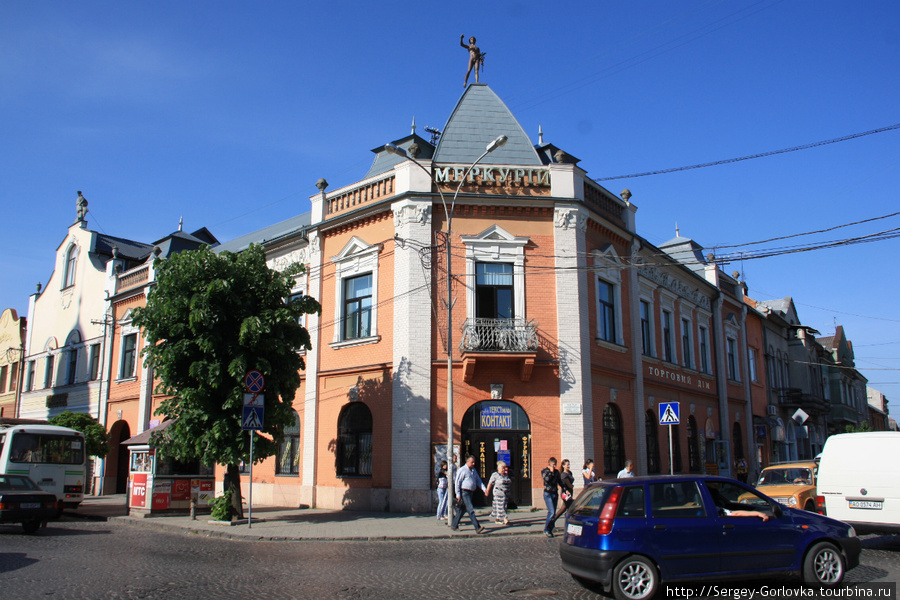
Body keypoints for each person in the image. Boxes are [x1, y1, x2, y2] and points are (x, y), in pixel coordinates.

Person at [451, 455, 488, 533]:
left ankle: (454, 525)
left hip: (471, 492)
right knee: (470, 509)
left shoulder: (473, 470)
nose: (473, 464)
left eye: (474, 462)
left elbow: (478, 480)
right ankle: (477, 527)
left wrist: (484, 489)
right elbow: (458, 482)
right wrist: (458, 494)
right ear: (467, 462)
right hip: (465, 492)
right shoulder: (462, 470)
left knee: (462, 509)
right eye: (472, 462)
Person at [485, 460, 511, 525]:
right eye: (502, 468)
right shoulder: (495, 475)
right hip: (498, 493)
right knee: (500, 506)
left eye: (504, 468)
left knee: (503, 506)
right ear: (498, 468)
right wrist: (487, 490)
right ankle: (505, 519)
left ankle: (498, 519)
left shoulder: (506, 475)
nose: (503, 469)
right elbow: (490, 483)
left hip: (505, 494)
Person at [541, 457, 561, 537]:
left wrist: (565, 488)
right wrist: (551, 472)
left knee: (554, 513)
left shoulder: (556, 472)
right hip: (548, 493)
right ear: (549, 464)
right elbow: (547, 480)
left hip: (555, 493)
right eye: (553, 465)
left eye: (555, 465)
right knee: (551, 512)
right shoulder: (545, 471)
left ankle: (550, 529)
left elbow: (559, 481)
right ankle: (546, 529)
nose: (554, 467)